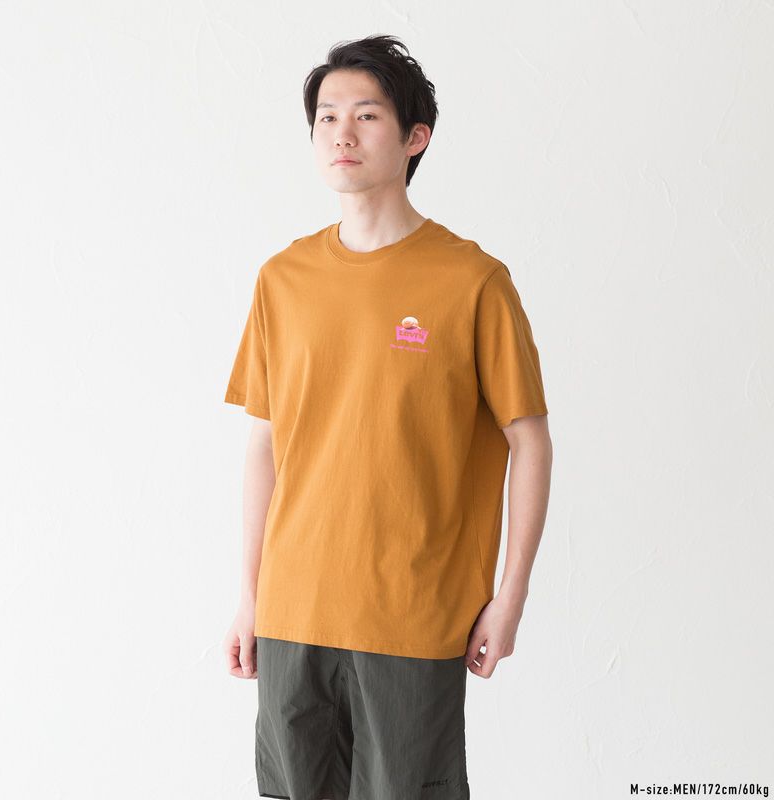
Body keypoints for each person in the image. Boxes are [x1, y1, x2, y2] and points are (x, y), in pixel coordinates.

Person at [221, 34, 553, 800]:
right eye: (327, 116)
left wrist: (510, 598)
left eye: (366, 115)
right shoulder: (283, 280)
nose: (342, 131)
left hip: (414, 614)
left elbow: (530, 443)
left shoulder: (472, 281)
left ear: (414, 137)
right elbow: (264, 445)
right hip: (295, 610)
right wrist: (250, 595)